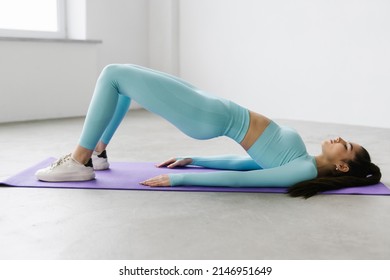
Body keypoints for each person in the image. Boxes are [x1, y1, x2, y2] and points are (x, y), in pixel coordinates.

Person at [35, 64, 382, 198]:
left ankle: (79, 160)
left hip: (209, 116)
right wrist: (195, 159)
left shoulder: (304, 169)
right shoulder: (303, 160)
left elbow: (243, 183)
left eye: (346, 145)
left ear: (342, 166)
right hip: (212, 108)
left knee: (112, 74)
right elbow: (249, 165)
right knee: (123, 84)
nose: (338, 139)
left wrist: (179, 181)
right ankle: (98, 153)